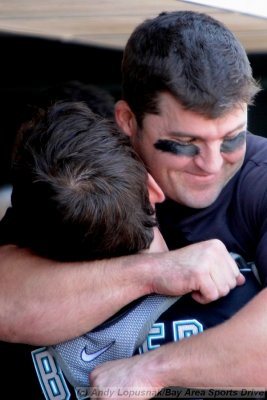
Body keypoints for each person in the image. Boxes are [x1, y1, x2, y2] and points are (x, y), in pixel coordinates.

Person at [0, 8, 262, 393]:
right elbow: (7, 303)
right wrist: (156, 273)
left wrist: (149, 372)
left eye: (232, 137)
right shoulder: (86, 168)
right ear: (127, 120)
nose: (211, 163)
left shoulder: (262, 177)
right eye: (185, 143)